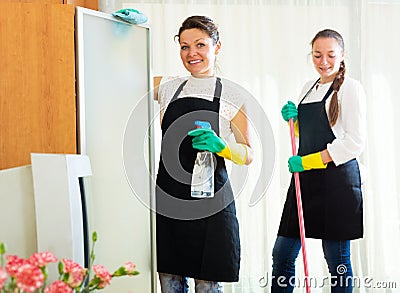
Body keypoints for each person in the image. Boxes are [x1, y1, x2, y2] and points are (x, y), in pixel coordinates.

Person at [154, 15, 254, 293]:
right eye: (184, 47)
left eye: (200, 44)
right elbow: (126, 75)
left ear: (216, 47)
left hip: (212, 204)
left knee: (208, 285)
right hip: (170, 200)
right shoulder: (167, 86)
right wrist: (123, 31)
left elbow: (248, 154)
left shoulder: (232, 93)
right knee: (170, 283)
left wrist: (222, 146)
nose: (191, 53)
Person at [272, 29, 366, 292]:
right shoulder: (309, 88)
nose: (323, 61)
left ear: (343, 55)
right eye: (317, 55)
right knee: (282, 254)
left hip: (337, 183)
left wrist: (309, 161)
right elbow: (313, 132)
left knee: (337, 260)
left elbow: (354, 142)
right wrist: (294, 122)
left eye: (331, 55)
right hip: (305, 181)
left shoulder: (350, 88)